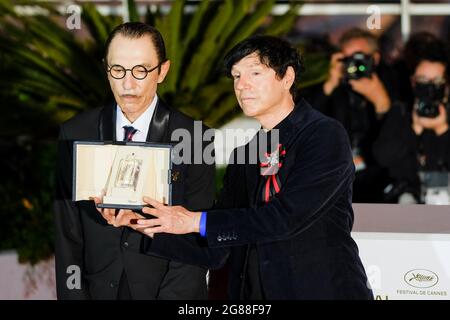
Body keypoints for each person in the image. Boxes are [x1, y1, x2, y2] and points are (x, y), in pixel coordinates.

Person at [104, 35, 373, 300]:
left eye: (254, 73)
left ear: (287, 77)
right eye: (235, 76)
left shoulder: (323, 134)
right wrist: (143, 223)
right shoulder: (246, 153)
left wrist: (192, 220)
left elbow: (287, 218)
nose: (242, 85)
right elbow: (217, 247)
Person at [54, 22, 215, 299]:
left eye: (141, 71)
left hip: (166, 288)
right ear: (106, 69)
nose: (128, 84)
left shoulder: (195, 137)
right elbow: (67, 233)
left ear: (162, 71)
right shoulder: (75, 133)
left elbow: (196, 239)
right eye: (118, 70)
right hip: (99, 288)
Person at [307, 28, 399, 203]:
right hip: (337, 180)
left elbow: (397, 142)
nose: (355, 65)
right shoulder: (336, 89)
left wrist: (381, 101)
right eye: (348, 59)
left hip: (379, 181)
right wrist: (330, 83)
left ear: (376, 58)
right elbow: (306, 122)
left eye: (360, 58)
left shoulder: (391, 84)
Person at [373, 37, 450, 204]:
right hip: (408, 207)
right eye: (422, 80)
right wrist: (413, 129)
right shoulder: (400, 113)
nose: (429, 87)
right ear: (413, 81)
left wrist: (442, 130)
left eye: (436, 81)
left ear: (446, 85)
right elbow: (383, 158)